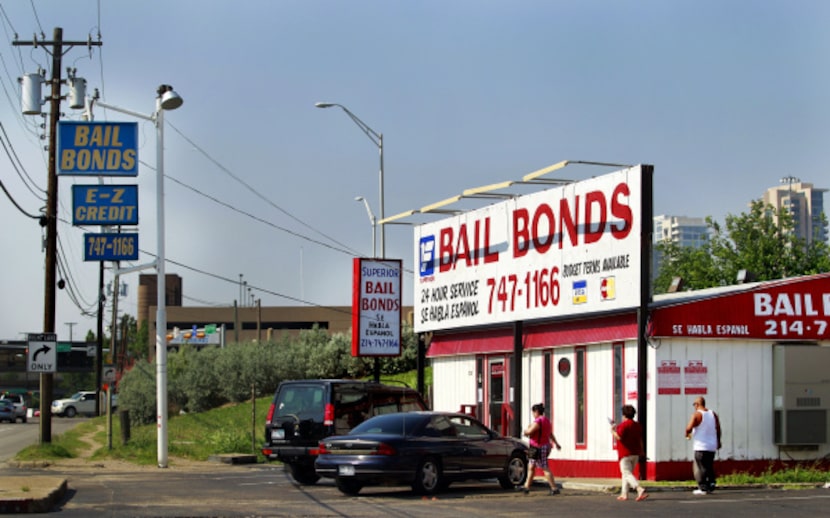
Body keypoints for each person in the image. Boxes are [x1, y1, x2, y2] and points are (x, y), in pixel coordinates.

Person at [520, 403, 561, 495]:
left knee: (542, 467)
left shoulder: (538, 421)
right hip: (543, 445)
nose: (533, 414)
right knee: (532, 466)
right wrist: (556, 443)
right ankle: (526, 486)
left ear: (536, 412)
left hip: (537, 446)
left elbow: (529, 431)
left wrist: (525, 431)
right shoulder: (547, 421)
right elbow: (550, 434)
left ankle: (554, 488)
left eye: (533, 412)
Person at [685, 396, 722, 495]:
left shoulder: (697, 415)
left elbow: (688, 428)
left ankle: (703, 487)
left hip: (701, 445)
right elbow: (718, 429)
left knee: (701, 467)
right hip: (711, 445)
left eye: (694, 405)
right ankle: (711, 483)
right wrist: (718, 441)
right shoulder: (713, 414)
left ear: (697, 404)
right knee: (709, 465)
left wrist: (687, 433)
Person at [610, 405, 648, 502]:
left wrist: (612, 431)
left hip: (625, 453)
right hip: (635, 453)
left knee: (626, 473)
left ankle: (639, 488)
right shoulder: (637, 425)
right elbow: (640, 439)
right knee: (626, 474)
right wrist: (642, 451)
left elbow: (619, 437)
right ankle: (624, 493)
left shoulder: (624, 425)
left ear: (624, 415)